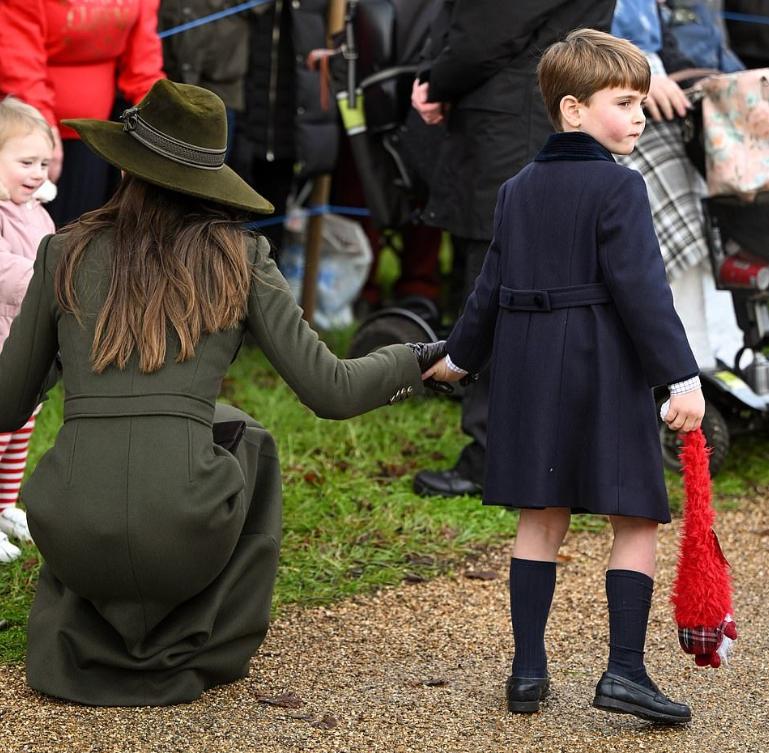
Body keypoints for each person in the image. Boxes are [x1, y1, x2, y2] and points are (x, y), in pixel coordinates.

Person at [0, 79, 439, 706]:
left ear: (128, 165)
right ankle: (201, 640)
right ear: (209, 177)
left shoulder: (63, 250)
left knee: (105, 459)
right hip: (183, 532)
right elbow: (332, 391)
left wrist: (69, 357)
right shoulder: (240, 256)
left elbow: (7, 404)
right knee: (247, 441)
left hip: (70, 526)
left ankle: (82, 643)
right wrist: (417, 360)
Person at [424, 29, 705, 724]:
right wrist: (680, 378)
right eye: (623, 101)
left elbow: (490, 284)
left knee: (539, 516)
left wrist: (460, 357)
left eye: (642, 100)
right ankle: (625, 672)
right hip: (601, 365)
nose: (639, 115)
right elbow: (642, 291)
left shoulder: (518, 187)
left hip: (526, 368)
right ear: (571, 109)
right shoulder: (620, 186)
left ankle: (526, 671)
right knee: (634, 517)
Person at [410, 0, 616, 498]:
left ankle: (490, 457)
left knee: (500, 292)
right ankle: (552, 454)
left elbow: (488, 30)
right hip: (549, 119)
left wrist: (438, 81)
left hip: (517, 126)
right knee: (551, 291)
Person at [0, 0, 165, 227]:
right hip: (31, 134)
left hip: (97, 136)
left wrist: (161, 118)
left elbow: (144, 65)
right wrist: (43, 130)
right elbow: (18, 59)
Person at [0, 96, 55, 563]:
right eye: (26, 162)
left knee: (22, 427)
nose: (38, 173)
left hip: (27, 344)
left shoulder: (36, 210)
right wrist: (49, 281)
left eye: (44, 163)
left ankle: (4, 505)